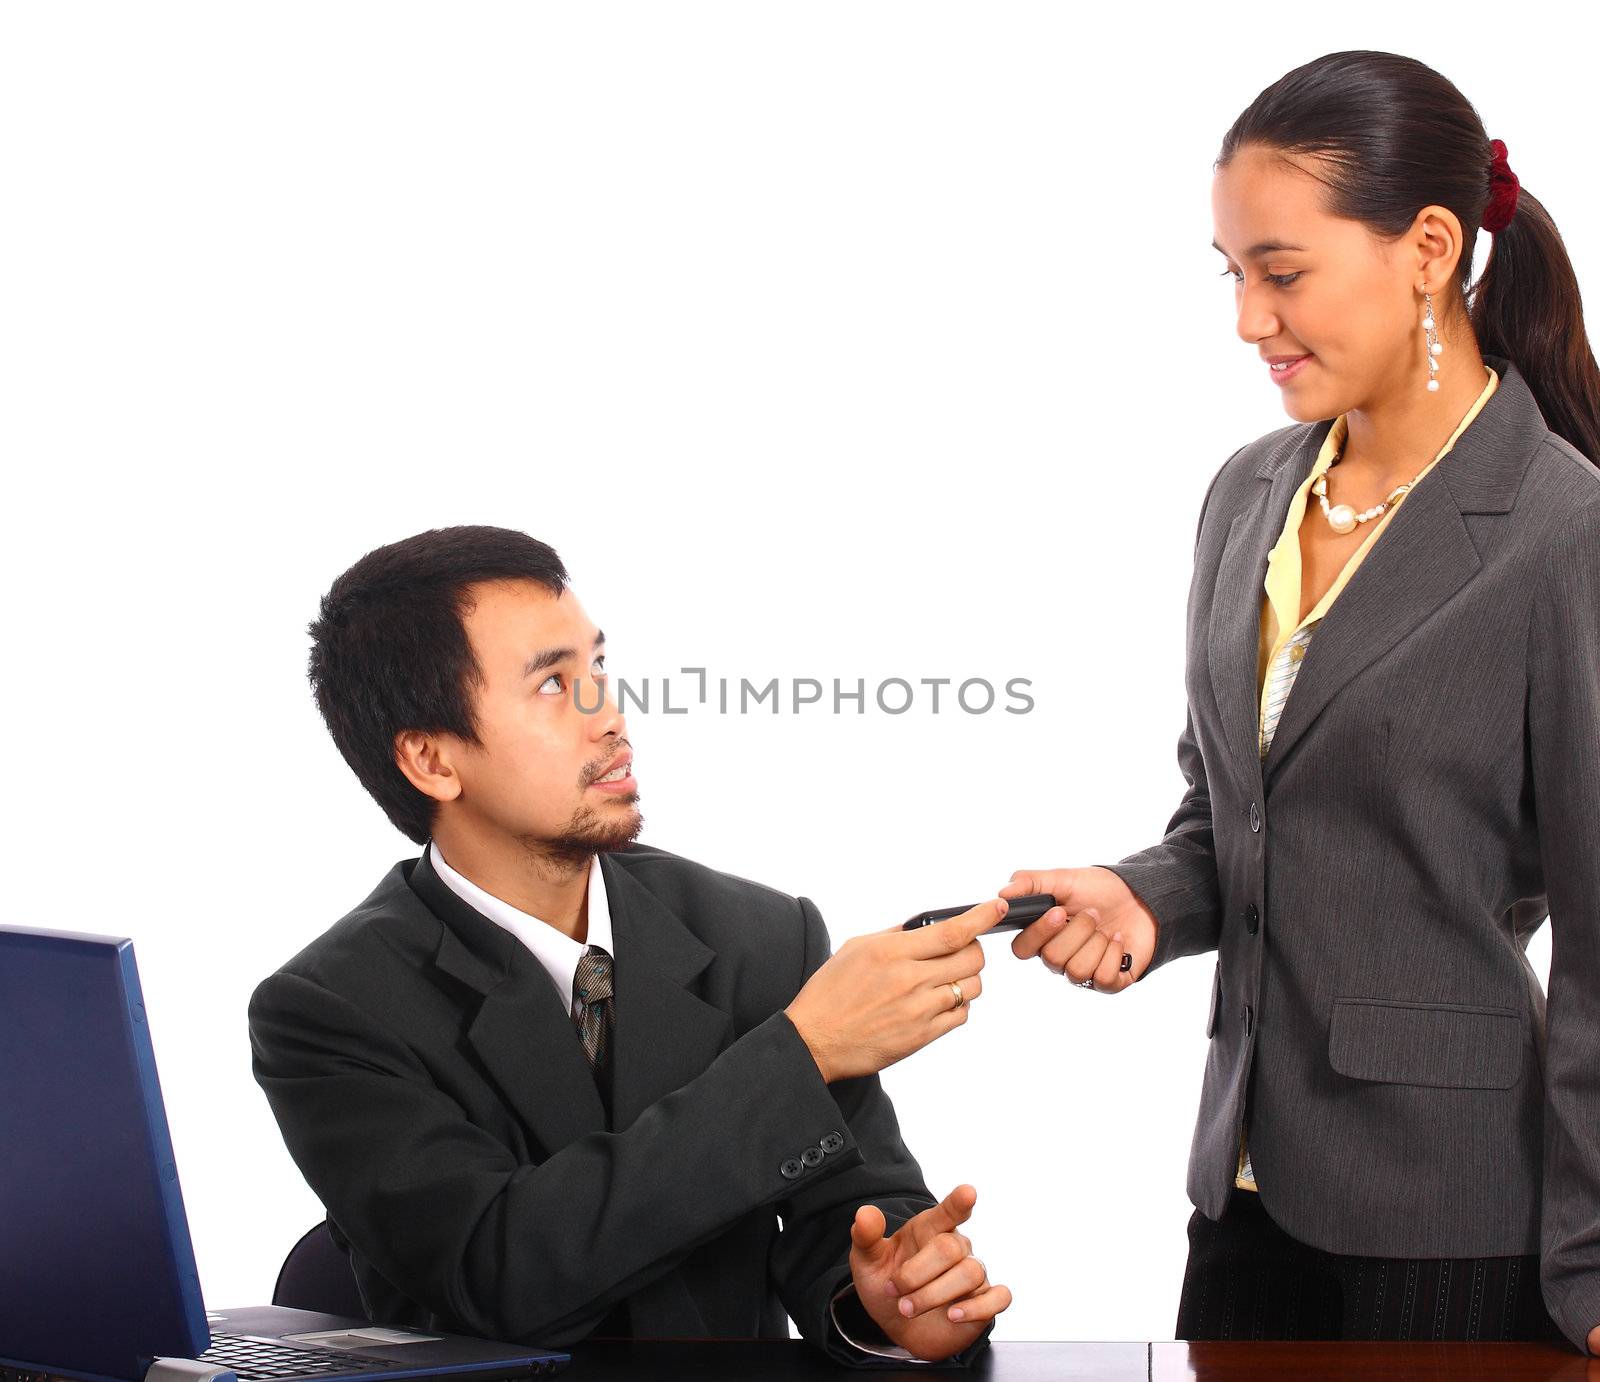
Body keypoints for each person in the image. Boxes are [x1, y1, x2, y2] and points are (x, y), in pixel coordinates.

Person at [999, 49, 1600, 1352]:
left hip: (1459, 1216)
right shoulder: (1249, 493)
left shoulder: (1565, 533)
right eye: (1233, 275)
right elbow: (1235, 818)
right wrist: (1147, 897)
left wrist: (1596, 1264)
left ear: (1429, 248)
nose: (1247, 320)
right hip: (1244, 1192)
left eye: (1283, 273)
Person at [248, 526, 1012, 1366]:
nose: (608, 715)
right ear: (431, 759)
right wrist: (801, 1054)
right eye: (552, 684)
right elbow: (501, 1271)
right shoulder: (331, 1010)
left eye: (599, 670)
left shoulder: (759, 935)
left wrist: (885, 1305)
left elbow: (856, 1214)